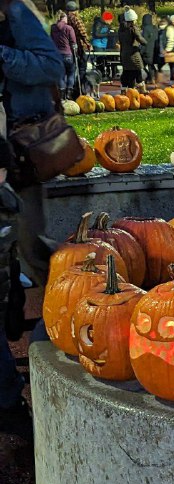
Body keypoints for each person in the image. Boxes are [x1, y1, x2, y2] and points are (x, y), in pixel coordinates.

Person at [0, 0, 65, 410]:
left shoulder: (17, 14)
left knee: (32, 246)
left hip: (21, 152)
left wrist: (2, 56)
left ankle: (69, 317)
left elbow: (51, 67)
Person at [65, 1, 90, 97]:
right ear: (75, 11)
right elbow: (82, 32)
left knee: (71, 70)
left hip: (69, 47)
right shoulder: (76, 19)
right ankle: (80, 88)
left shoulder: (65, 20)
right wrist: (87, 43)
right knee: (82, 68)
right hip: (79, 47)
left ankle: (69, 90)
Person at [50, 10, 77, 99]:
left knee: (61, 75)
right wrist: (76, 52)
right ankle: (69, 93)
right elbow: (73, 42)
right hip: (67, 54)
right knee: (71, 73)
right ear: (64, 18)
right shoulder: (69, 28)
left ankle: (62, 94)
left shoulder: (53, 28)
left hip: (57, 55)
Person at [118, 6, 146, 90]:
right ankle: (140, 88)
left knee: (127, 71)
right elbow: (140, 38)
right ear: (133, 19)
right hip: (133, 53)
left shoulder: (121, 29)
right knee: (137, 70)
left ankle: (124, 89)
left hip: (124, 53)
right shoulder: (133, 28)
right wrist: (146, 42)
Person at [140, 13, 158, 88]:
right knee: (151, 65)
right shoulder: (155, 28)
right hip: (154, 50)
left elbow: (144, 41)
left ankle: (150, 78)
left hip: (147, 50)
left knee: (142, 65)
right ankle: (152, 78)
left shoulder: (145, 29)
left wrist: (141, 51)